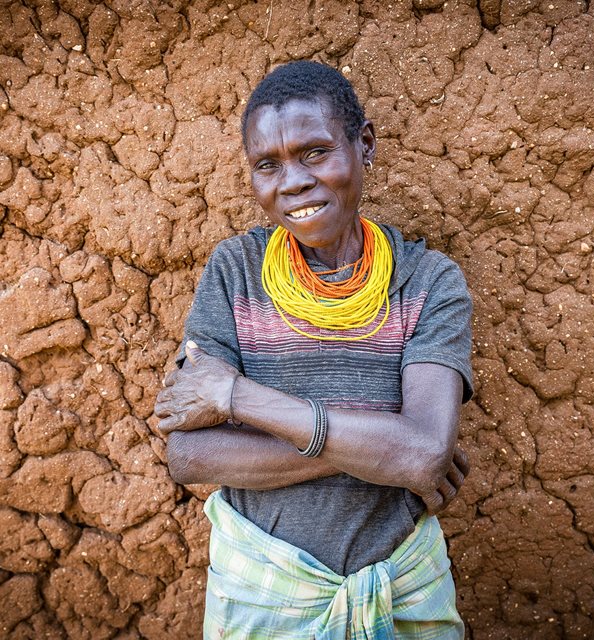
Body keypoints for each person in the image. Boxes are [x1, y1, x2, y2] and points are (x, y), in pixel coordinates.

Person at [154, 60, 473, 639]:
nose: (293, 181)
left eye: (315, 152)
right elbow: (190, 457)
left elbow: (423, 455)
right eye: (267, 165)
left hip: (401, 587)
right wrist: (382, 450)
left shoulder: (428, 281)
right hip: (264, 590)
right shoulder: (235, 272)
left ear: (365, 145)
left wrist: (237, 396)